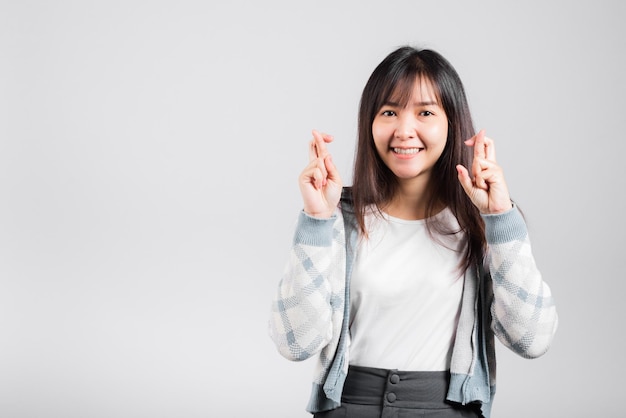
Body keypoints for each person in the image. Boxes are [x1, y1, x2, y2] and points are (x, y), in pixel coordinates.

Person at [268, 46, 558, 418]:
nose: (405, 130)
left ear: (452, 122)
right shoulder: (337, 216)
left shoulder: (480, 222)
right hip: (347, 407)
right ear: (369, 123)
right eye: (389, 112)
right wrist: (316, 220)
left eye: (425, 112)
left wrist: (500, 216)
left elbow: (532, 339)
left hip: (447, 409)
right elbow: (295, 344)